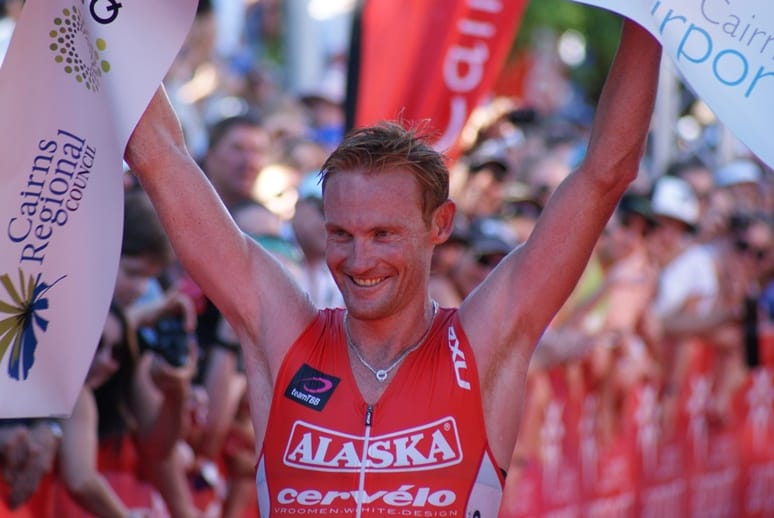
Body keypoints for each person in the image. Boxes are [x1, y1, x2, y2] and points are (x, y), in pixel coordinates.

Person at [124, 19, 661, 516]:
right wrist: (105, 17)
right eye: (341, 234)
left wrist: (650, 17)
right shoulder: (285, 336)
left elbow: (604, 173)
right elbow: (162, 157)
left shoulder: (483, 344)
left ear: (440, 225)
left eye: (384, 235)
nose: (359, 261)